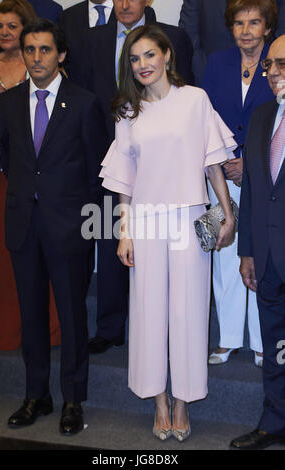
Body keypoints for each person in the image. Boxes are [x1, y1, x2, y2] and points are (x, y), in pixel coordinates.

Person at [100, 23, 236, 441]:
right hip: (145, 221)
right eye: (134, 58)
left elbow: (212, 162)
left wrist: (227, 213)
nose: (142, 64)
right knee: (148, 310)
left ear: (167, 56)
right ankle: (159, 401)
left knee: (189, 311)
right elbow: (124, 178)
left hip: (191, 217)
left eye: (149, 55)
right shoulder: (127, 111)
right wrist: (124, 232)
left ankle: (183, 401)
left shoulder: (195, 100)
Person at [0, 18, 108, 435]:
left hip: (70, 227)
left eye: (45, 50)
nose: (36, 58)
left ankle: (73, 399)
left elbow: (99, 171)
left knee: (73, 316)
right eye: (30, 50)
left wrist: (89, 224)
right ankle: (36, 395)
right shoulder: (7, 104)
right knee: (31, 314)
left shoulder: (85, 103)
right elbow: (11, 161)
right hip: (24, 224)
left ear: (61, 54)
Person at [68, 0, 194, 355]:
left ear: (148, 1)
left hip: (164, 165)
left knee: (162, 249)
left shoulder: (174, 38)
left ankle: (165, 327)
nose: (124, 4)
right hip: (110, 162)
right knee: (113, 243)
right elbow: (79, 99)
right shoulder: (91, 40)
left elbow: (185, 95)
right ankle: (110, 327)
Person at [203, 0, 278, 367]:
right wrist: (222, 161)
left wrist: (249, 161)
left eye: (254, 23)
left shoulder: (278, 62)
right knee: (224, 252)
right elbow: (204, 119)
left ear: (267, 27)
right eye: (238, 23)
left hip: (266, 173)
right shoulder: (217, 63)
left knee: (262, 253)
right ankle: (229, 337)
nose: (245, 30)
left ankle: (264, 339)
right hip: (222, 172)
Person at [230, 34, 285, 450]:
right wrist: (246, 249)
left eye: (282, 64)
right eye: (269, 66)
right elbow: (251, 189)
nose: (273, 73)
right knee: (276, 348)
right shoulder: (263, 116)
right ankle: (274, 421)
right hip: (266, 259)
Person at [0, 0, 39, 350]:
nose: (5, 32)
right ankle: (6, 334)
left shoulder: (40, 66)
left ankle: (45, 332)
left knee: (32, 256)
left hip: (28, 177)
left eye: (12, 26)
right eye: (0, 25)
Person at [179, 0, 285, 86]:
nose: (245, 31)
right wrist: (205, 74)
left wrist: (274, 71)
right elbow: (188, 39)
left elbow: (281, 36)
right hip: (209, 79)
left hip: (267, 78)